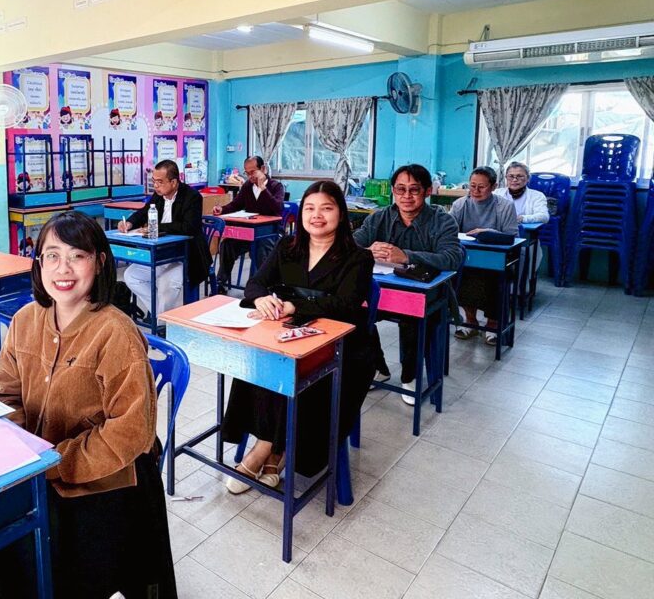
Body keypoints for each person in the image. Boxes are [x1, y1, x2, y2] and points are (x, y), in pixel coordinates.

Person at [0, 211, 177, 599]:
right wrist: (21, 453)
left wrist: (55, 464)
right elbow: (7, 396)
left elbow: (131, 432)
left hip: (105, 476)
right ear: (38, 263)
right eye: (52, 256)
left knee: (28, 556)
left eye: (78, 256)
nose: (64, 268)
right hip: (37, 467)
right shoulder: (24, 320)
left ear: (100, 262)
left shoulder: (116, 332)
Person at [221, 181, 375, 492]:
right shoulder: (287, 247)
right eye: (310, 208)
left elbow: (345, 305)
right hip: (292, 334)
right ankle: (275, 450)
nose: (317, 216)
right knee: (260, 360)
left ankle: (265, 447)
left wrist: (294, 305)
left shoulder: (358, 257)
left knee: (298, 371)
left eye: (326, 208)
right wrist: (261, 299)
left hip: (344, 346)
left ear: (341, 214)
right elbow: (255, 284)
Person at [353, 164, 461, 403]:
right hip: (383, 290)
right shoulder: (379, 217)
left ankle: (410, 376)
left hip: (429, 294)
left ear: (428, 191)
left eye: (414, 190)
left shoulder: (443, 221)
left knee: (411, 316)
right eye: (400, 189)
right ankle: (378, 367)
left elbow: (452, 258)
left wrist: (406, 256)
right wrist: (366, 251)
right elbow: (350, 245)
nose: (407, 196)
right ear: (393, 190)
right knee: (352, 311)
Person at [119, 159, 212, 318]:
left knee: (166, 285)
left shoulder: (192, 196)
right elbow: (144, 212)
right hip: (161, 253)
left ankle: (159, 320)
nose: (155, 186)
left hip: (187, 256)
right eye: (154, 181)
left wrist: (156, 227)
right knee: (131, 276)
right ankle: (161, 317)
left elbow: (189, 227)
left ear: (173, 182)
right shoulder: (158, 195)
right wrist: (129, 223)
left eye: (160, 182)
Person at [450, 166, 519, 344]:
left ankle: (493, 324)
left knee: (494, 280)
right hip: (468, 258)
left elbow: (512, 236)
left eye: (481, 187)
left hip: (498, 260)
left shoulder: (505, 206)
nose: (475, 191)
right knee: (460, 276)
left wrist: (487, 232)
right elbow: (449, 231)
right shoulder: (460, 204)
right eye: (472, 186)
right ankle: (470, 322)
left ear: (494, 187)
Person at [212, 155, 285, 292]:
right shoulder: (247, 186)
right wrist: (222, 209)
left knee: (260, 247)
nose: (250, 176)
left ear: (263, 169)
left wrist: (263, 188)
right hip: (250, 232)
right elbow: (236, 204)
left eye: (253, 172)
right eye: (247, 173)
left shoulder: (276, 186)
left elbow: (278, 208)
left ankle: (259, 286)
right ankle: (221, 282)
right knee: (227, 245)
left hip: (271, 232)